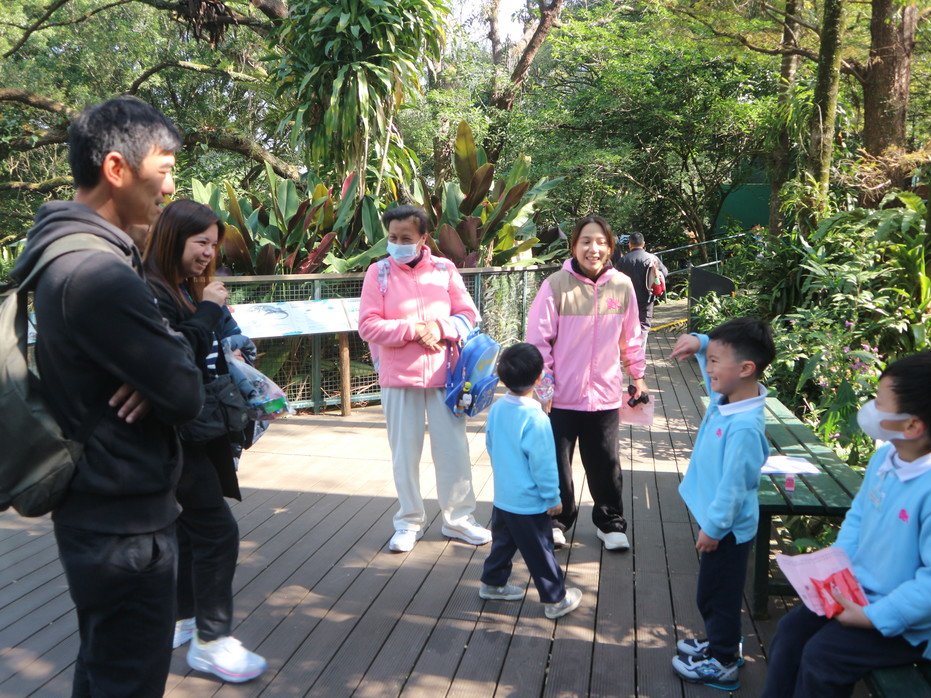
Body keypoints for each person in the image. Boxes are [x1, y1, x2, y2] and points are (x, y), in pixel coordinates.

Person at [9, 97, 204, 697]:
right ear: (117, 169)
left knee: (103, 669)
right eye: (164, 170)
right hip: (122, 523)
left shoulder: (66, 253)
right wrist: (163, 371)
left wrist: (158, 368)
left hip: (101, 510)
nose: (169, 187)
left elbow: (168, 368)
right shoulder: (96, 273)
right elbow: (186, 392)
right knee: (128, 679)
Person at [143, 199, 267, 683]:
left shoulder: (180, 286)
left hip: (197, 427)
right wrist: (211, 309)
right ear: (173, 238)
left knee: (189, 528)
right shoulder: (153, 290)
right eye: (201, 243)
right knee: (217, 531)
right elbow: (175, 356)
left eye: (213, 245)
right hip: (175, 434)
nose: (208, 253)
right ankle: (211, 642)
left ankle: (185, 618)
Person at [762, 352, 931, 698]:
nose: (870, 408)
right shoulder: (885, 458)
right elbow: (858, 517)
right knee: (791, 632)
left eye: (879, 403)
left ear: (913, 426)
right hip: (857, 591)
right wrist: (835, 565)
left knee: (823, 658)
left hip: (907, 624)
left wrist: (874, 617)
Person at [358, 205, 491, 553]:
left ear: (423, 238)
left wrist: (439, 327)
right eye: (392, 237)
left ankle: (459, 519)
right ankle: (408, 521)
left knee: (454, 450)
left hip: (445, 377)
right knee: (404, 454)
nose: (398, 243)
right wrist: (413, 330)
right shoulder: (378, 273)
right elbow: (368, 326)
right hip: (397, 378)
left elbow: (468, 315)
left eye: (406, 238)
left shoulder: (445, 270)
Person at [526, 215, 647, 551]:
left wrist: (637, 376)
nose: (593, 249)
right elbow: (538, 340)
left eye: (601, 242)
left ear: (610, 248)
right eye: (586, 241)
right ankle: (556, 521)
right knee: (556, 464)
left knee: (606, 463)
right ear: (574, 246)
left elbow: (631, 337)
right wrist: (545, 386)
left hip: (605, 395)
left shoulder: (622, 285)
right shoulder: (555, 285)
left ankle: (610, 523)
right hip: (561, 396)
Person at [669, 317, 776, 691]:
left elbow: (734, 488)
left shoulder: (744, 426)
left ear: (745, 368)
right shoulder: (730, 398)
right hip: (720, 522)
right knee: (717, 592)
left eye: (715, 361)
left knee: (717, 596)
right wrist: (701, 344)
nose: (708, 369)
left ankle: (724, 660)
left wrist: (713, 529)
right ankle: (721, 641)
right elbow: (714, 372)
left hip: (727, 530)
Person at [478, 343, 583, 618]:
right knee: (540, 551)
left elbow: (491, 444)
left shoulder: (497, 409)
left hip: (504, 496)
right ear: (539, 379)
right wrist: (552, 498)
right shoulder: (536, 417)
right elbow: (543, 465)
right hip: (529, 503)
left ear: (503, 379)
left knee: (503, 543)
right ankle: (556, 599)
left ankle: (492, 583)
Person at [613, 232, 668, 347]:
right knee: (643, 326)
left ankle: (628, 351)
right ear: (643, 244)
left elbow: (614, 279)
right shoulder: (652, 258)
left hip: (627, 299)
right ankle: (639, 352)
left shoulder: (623, 261)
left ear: (629, 244)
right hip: (647, 298)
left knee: (628, 326)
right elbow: (665, 273)